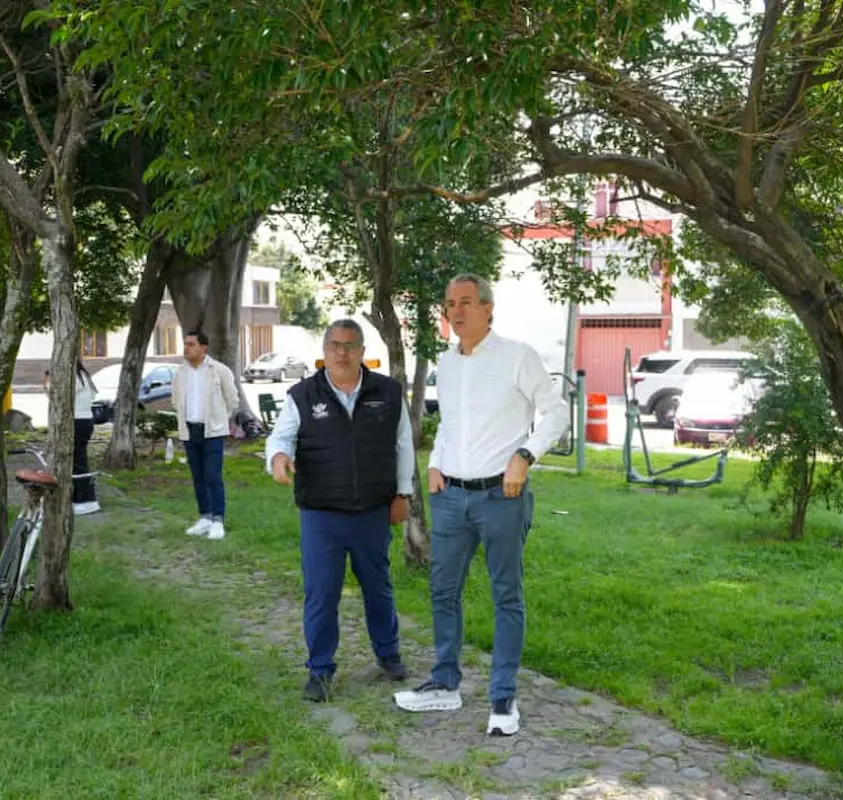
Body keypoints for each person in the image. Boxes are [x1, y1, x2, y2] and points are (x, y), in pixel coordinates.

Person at [393, 274, 568, 737]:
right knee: (442, 590)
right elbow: (451, 423)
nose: (457, 311)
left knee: (505, 595)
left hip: (501, 498)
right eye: (450, 303)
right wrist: (435, 462)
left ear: (488, 308)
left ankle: (502, 699)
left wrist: (525, 456)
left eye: (466, 302)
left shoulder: (517, 356)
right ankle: (445, 683)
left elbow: (557, 411)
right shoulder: (447, 365)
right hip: (451, 498)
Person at [267, 320, 413, 702]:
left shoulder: (389, 392)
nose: (342, 353)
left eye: (350, 346)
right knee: (321, 594)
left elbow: (404, 447)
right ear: (324, 349)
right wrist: (279, 457)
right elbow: (280, 437)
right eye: (334, 345)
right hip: (321, 515)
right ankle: (320, 670)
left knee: (378, 588)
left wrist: (404, 493)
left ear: (363, 351)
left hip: (371, 511)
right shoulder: (302, 394)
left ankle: (388, 653)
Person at [171, 331, 239, 541]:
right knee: (198, 477)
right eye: (185, 344)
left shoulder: (219, 370)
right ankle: (205, 517)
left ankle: (218, 520)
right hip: (189, 430)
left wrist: (219, 420)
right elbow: (175, 400)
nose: (186, 348)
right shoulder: (181, 373)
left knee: (212, 476)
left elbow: (232, 400)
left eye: (191, 344)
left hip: (212, 431)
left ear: (204, 347)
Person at [45, 361, 101, 516]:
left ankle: (86, 500)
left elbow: (58, 396)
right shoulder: (84, 376)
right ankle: (81, 497)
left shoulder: (72, 378)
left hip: (76, 421)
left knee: (78, 462)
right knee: (79, 459)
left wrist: (48, 382)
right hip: (86, 420)